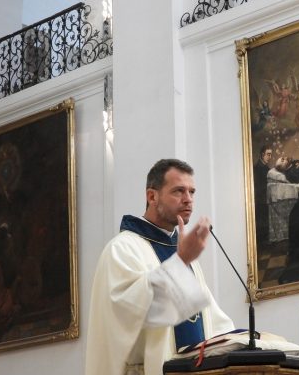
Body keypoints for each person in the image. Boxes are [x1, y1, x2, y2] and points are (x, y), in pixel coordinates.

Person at [85, 159, 234, 375]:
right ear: (152, 196)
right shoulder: (122, 249)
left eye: (192, 192)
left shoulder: (182, 253)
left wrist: (245, 341)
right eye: (178, 191)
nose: (188, 200)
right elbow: (134, 317)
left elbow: (209, 320)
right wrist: (181, 261)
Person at [253, 145, 273, 246]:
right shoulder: (259, 168)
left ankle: (264, 241)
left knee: (264, 219)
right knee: (262, 219)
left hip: (264, 197)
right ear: (262, 155)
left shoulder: (264, 167)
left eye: (270, 155)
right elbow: (260, 186)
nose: (270, 157)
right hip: (260, 198)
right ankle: (263, 242)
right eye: (268, 155)